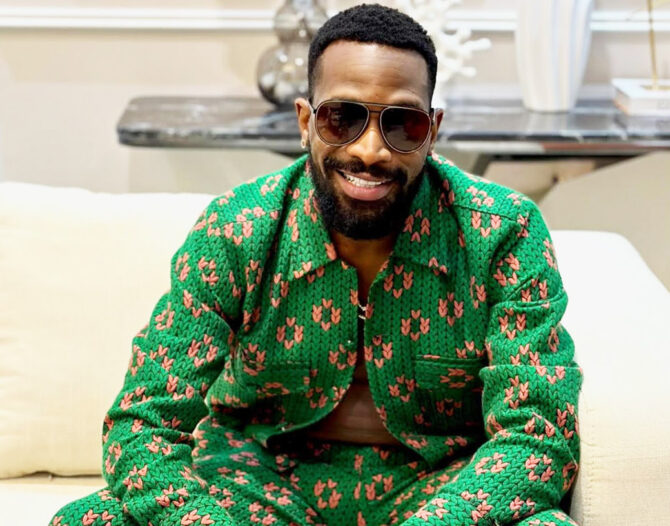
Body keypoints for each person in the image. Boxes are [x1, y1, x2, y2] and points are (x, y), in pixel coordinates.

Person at [50, 4, 582, 526]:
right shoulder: (237, 230)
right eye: (342, 118)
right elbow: (143, 423)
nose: (370, 150)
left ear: (432, 130)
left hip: (441, 487)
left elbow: (539, 433)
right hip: (253, 481)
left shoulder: (502, 233)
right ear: (306, 122)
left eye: (403, 124)